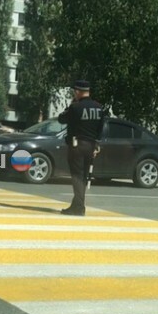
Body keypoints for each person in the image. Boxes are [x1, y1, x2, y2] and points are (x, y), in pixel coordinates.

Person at [57, 79, 104, 216]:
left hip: (77, 145)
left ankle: (79, 208)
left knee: (77, 176)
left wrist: (71, 105)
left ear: (78, 91)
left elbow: (62, 119)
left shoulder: (75, 107)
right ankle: (77, 204)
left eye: (74, 92)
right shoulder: (99, 107)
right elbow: (100, 129)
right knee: (83, 176)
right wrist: (96, 145)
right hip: (90, 146)